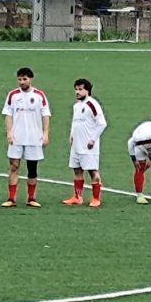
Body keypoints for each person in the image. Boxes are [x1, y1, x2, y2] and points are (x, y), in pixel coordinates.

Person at [1, 66, 51, 208]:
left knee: (32, 167)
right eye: (19, 79)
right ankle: (11, 198)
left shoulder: (39, 95)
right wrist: (9, 132)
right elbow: (8, 115)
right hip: (16, 137)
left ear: (30, 79)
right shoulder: (13, 95)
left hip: (34, 137)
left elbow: (45, 115)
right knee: (13, 166)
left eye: (24, 79)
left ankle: (31, 198)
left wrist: (45, 134)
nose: (22, 82)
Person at [62, 78, 107, 208]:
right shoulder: (76, 106)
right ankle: (77, 197)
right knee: (77, 170)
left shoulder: (92, 104)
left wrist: (93, 139)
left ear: (87, 90)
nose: (77, 91)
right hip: (76, 145)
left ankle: (96, 198)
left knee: (93, 171)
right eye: (76, 89)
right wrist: (71, 134)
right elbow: (75, 122)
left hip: (88, 145)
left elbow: (102, 123)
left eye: (80, 89)